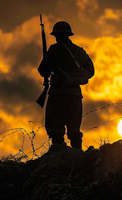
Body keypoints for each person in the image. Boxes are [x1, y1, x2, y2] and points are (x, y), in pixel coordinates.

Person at [38, 21, 95, 150]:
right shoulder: (80, 52)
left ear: (56, 35)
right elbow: (91, 71)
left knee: (56, 128)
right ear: (69, 35)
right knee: (74, 128)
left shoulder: (54, 49)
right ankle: (77, 154)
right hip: (75, 95)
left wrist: (53, 72)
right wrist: (75, 78)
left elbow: (42, 70)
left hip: (57, 93)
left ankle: (59, 155)